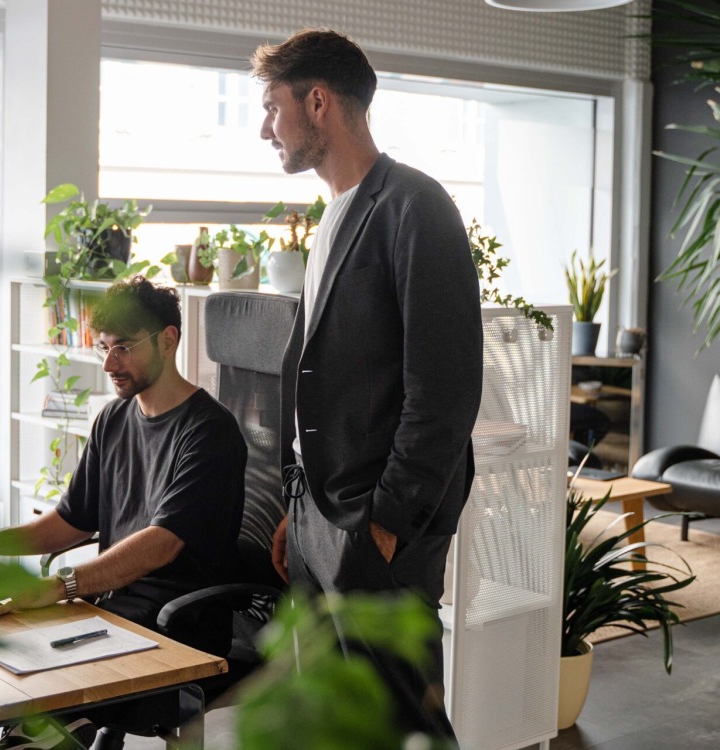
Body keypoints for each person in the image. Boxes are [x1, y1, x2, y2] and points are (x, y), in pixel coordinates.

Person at [253, 29, 483, 739]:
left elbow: (444, 390)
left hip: (379, 524)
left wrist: (384, 520)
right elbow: (328, 377)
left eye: (272, 108)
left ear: (317, 102)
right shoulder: (330, 219)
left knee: (405, 725)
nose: (266, 130)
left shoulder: (415, 208)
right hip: (323, 514)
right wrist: (301, 497)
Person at [0, 276, 247, 750]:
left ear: (168, 340)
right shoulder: (115, 418)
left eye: (124, 348)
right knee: (5, 665)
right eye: (104, 348)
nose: (110, 363)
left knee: (38, 702)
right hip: (110, 614)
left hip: (175, 628)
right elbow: (71, 521)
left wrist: (58, 586)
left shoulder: (209, 432)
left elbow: (162, 541)